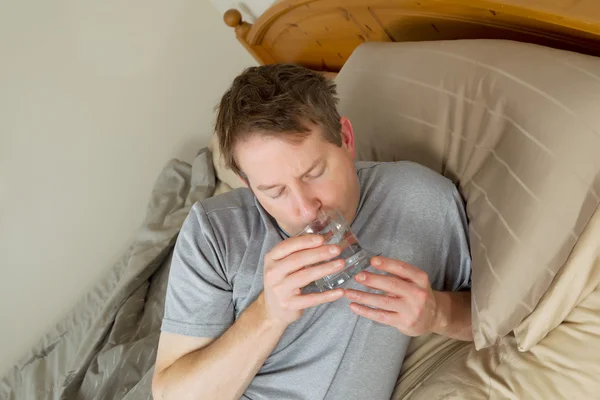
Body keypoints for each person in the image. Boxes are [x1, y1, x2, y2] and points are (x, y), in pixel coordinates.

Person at [152, 64, 472, 400]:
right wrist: (268, 315)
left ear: (346, 139)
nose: (305, 209)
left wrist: (438, 313)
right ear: (248, 185)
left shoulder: (420, 200)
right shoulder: (214, 231)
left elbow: (495, 316)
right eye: (275, 192)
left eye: (314, 173)